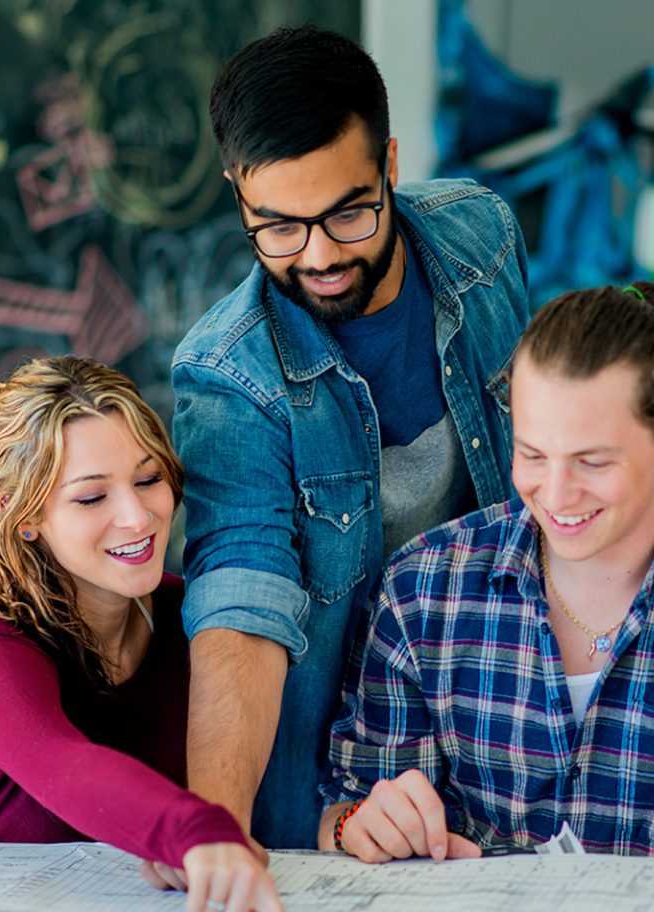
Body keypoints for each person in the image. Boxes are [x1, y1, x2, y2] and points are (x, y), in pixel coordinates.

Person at [171, 24, 529, 849]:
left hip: (506, 722)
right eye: (280, 227)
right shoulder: (229, 377)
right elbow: (241, 604)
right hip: (352, 778)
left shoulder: (484, 238)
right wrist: (214, 830)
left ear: (391, 166)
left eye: (350, 212)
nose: (321, 255)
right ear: (239, 197)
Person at [319, 281, 654, 859]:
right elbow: (346, 805)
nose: (555, 494)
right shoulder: (423, 592)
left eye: (593, 460)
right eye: (532, 454)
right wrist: (355, 824)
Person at [0, 356, 281, 912]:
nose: (137, 516)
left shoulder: (195, 617)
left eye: (148, 479)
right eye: (91, 497)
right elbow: (64, 764)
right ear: (22, 514)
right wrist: (198, 831)